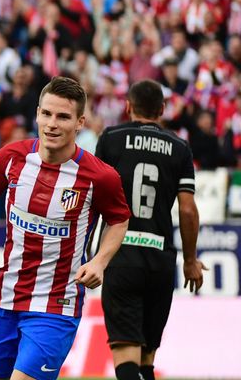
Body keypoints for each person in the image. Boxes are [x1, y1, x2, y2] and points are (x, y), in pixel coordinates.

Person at [0, 76, 131, 380]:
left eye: (63, 117)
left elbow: (119, 219)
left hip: (56, 304)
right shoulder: (12, 158)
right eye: (47, 114)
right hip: (7, 296)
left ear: (79, 122)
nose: (52, 124)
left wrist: (101, 261)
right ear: (37, 113)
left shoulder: (99, 177)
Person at [94, 79, 204, 380]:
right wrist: (191, 260)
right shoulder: (180, 148)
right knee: (146, 359)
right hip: (160, 260)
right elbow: (187, 208)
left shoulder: (111, 139)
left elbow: (92, 197)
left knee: (125, 355)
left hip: (121, 256)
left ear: (128, 107)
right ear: (163, 110)